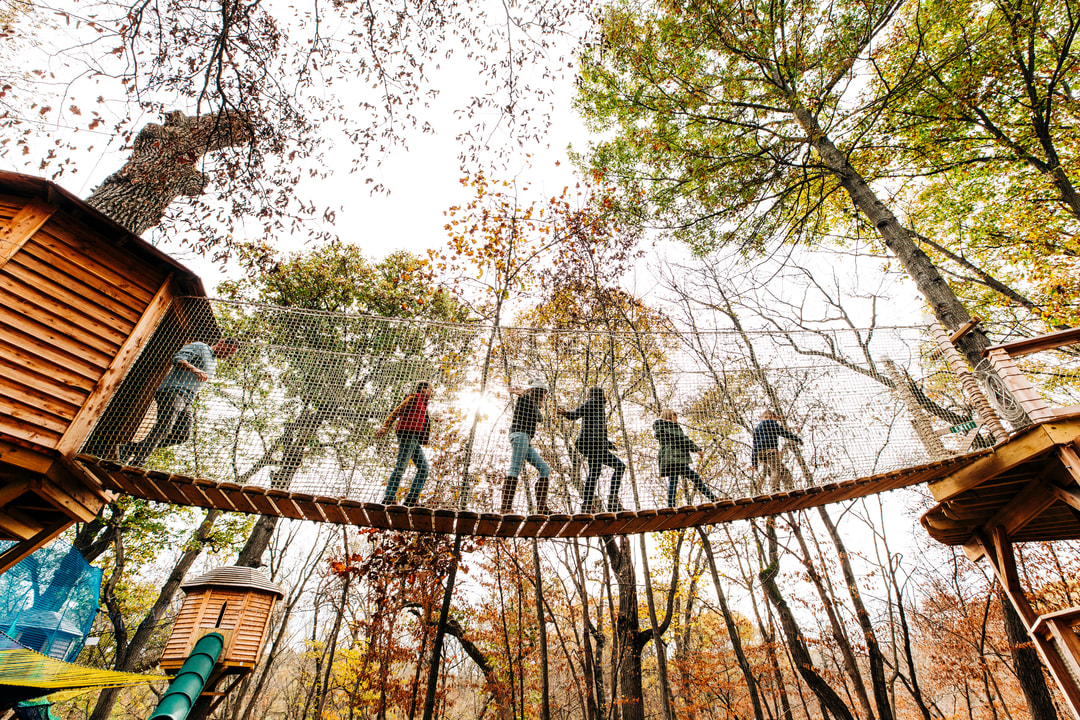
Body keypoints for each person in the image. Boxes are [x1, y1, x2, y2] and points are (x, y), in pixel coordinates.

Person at [117, 338, 239, 466]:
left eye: (231, 354)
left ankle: (130, 448)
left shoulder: (214, 363)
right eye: (228, 350)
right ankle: (139, 461)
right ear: (221, 343)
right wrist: (194, 369)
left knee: (182, 435)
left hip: (187, 399)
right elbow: (177, 358)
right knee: (165, 426)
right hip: (173, 391)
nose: (228, 355)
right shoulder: (200, 347)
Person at [558, 387, 625, 513]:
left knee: (595, 473)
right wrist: (567, 413)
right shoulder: (592, 403)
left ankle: (588, 505)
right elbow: (578, 413)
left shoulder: (599, 408)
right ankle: (608, 502)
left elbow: (597, 430)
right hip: (594, 445)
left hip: (596, 445)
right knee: (618, 467)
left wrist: (608, 444)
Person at [375, 381, 433, 507]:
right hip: (407, 435)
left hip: (415, 438)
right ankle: (389, 497)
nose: (432, 393)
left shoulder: (423, 404)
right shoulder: (413, 398)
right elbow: (397, 411)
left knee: (424, 468)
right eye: (430, 390)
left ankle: (412, 498)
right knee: (401, 466)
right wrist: (386, 427)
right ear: (423, 389)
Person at [501, 377, 553, 515]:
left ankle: (541, 508)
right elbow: (532, 409)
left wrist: (535, 405)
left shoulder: (533, 405)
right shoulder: (525, 399)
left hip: (525, 439)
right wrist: (523, 393)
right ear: (537, 392)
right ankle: (505, 508)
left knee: (545, 469)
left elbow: (540, 418)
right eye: (542, 393)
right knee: (515, 469)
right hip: (519, 435)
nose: (543, 396)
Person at [654, 409, 717, 507]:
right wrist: (696, 449)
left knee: (676, 480)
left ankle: (712, 497)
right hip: (672, 457)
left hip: (675, 457)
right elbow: (682, 439)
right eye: (675, 417)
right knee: (685, 478)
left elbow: (682, 439)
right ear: (670, 417)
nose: (676, 419)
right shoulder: (666, 427)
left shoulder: (671, 427)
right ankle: (711, 497)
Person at [750, 409, 802, 492]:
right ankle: (774, 489)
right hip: (770, 451)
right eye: (776, 420)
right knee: (776, 469)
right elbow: (783, 432)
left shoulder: (756, 429)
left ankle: (790, 487)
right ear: (771, 417)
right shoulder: (771, 422)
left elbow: (754, 447)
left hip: (760, 454)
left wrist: (754, 462)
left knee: (783, 469)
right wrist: (796, 439)